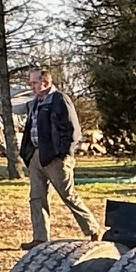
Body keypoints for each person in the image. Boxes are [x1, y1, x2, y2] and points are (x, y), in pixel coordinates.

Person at [19, 67, 100, 246]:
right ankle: (40, 238)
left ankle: (93, 229)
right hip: (36, 155)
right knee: (37, 198)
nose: (31, 86)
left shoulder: (60, 100)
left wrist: (63, 154)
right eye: (30, 82)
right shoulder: (33, 103)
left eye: (34, 82)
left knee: (68, 195)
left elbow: (73, 131)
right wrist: (28, 153)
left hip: (56, 159)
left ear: (45, 82)